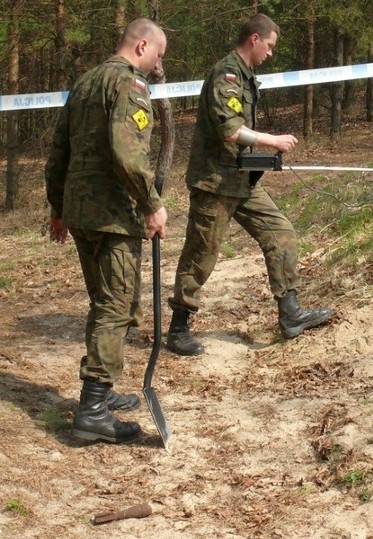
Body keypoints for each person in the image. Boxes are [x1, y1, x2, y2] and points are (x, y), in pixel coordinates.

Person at [166, 13, 333, 356]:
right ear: (254, 39)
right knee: (201, 254)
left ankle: (290, 313)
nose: (271, 53)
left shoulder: (246, 76)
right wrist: (271, 140)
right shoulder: (225, 74)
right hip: (215, 182)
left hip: (242, 179)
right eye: (269, 46)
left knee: (280, 231)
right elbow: (229, 129)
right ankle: (178, 328)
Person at [45, 18, 168, 444]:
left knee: (103, 303)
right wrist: (152, 204)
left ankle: (104, 391)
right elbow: (127, 152)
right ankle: (92, 410)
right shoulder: (129, 86)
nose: (158, 65)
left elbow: (57, 151)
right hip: (113, 216)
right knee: (116, 307)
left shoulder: (84, 84)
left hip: (81, 214)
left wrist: (58, 209)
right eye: (158, 54)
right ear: (141, 46)